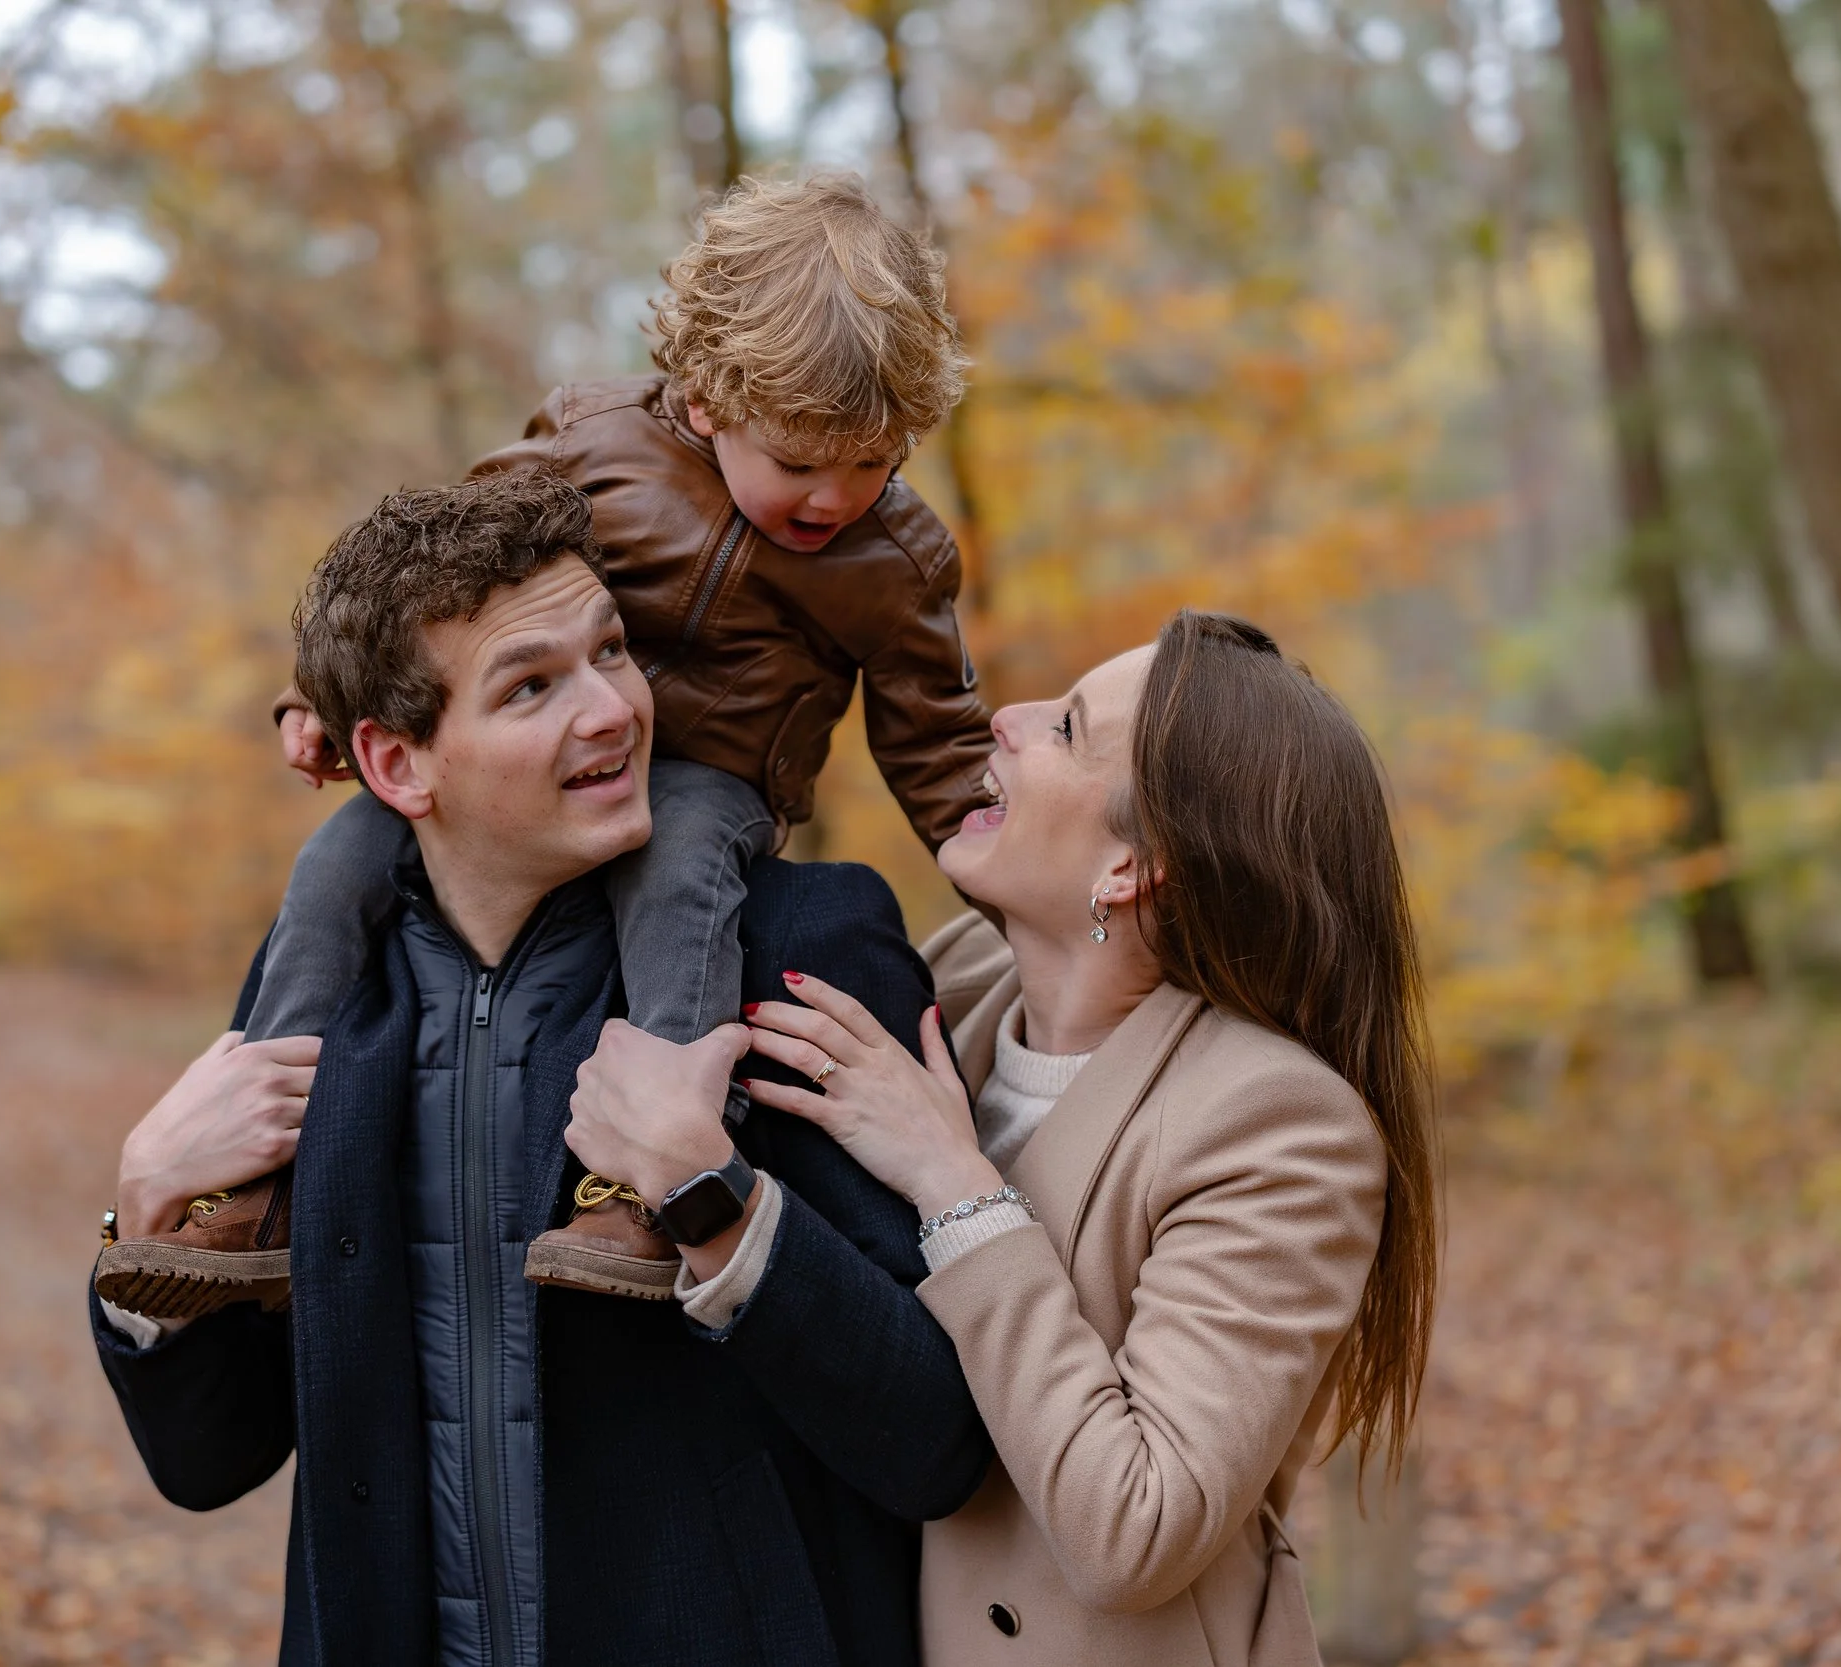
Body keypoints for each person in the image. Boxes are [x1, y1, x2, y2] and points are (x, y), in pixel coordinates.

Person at [90, 471, 990, 1666]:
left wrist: (719, 1203)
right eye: (531, 685)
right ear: (398, 764)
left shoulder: (799, 947)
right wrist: (145, 1209)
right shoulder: (316, 991)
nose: (614, 709)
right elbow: (209, 1460)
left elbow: (937, 1444)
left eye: (611, 651)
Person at [94, 173, 993, 1316]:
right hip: (521, 774)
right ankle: (258, 1172)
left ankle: (643, 1180)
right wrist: (325, 694)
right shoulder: (596, 441)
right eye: (803, 461)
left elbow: (935, 736)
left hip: (711, 781)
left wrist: (1017, 862)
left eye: (874, 463)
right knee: (337, 863)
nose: (836, 497)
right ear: (708, 400)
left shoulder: (896, 559)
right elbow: (434, 583)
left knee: (676, 882)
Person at [578, 611, 1442, 1664]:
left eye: (1068, 728)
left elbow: (1134, 1528)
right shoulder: (942, 995)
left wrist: (955, 1182)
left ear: (1135, 866)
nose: (1007, 721)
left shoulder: (1280, 1124)